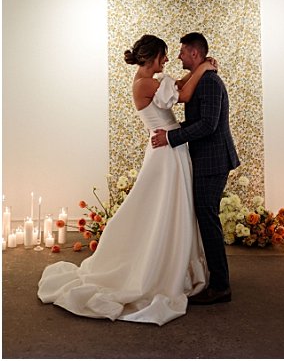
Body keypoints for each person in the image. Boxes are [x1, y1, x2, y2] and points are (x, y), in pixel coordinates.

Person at [38, 34, 212, 325]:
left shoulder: (151, 81)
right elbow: (182, 95)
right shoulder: (145, 83)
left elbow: (176, 87)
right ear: (153, 57)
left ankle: (170, 259)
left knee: (169, 208)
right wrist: (203, 69)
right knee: (162, 207)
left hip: (170, 148)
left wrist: (194, 72)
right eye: (164, 56)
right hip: (165, 153)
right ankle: (156, 265)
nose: (168, 60)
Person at [151, 32, 241, 305]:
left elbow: (208, 125)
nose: (177, 56)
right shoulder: (201, 77)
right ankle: (215, 278)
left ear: (194, 53)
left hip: (214, 161)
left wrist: (170, 137)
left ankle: (221, 286)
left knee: (207, 218)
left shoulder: (210, 82)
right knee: (205, 217)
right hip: (205, 159)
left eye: (181, 51)